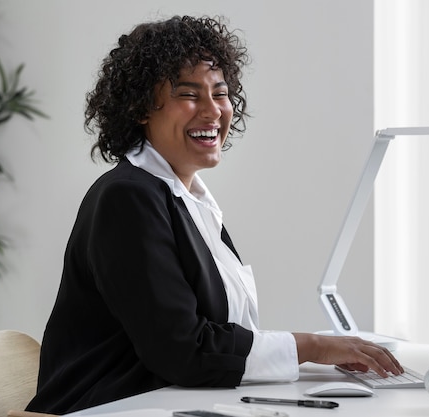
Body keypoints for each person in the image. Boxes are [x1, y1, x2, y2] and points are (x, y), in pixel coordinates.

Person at [26, 15, 404, 415]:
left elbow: (223, 333)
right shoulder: (127, 198)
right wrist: (311, 346)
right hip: (105, 408)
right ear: (140, 108)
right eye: (189, 94)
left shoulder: (187, 200)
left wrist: (312, 351)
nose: (212, 111)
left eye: (220, 94)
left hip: (167, 402)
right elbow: (183, 350)